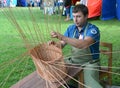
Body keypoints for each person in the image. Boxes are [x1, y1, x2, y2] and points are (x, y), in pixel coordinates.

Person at [49, 4, 103, 88]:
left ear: (86, 16)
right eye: (73, 16)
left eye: (78, 16)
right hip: (74, 61)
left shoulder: (93, 30)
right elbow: (62, 44)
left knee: (91, 85)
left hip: (89, 63)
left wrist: (62, 37)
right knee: (57, 72)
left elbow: (83, 44)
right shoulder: (71, 28)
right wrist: (55, 45)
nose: (75, 20)